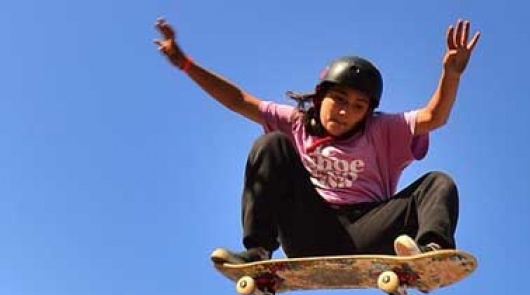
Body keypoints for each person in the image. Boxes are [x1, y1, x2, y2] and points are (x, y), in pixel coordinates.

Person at [152, 17, 479, 265]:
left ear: (368, 112)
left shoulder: (382, 129)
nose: (345, 112)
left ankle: (431, 255)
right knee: (269, 145)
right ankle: (258, 252)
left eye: (358, 106)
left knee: (438, 182)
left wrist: (451, 75)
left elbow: (434, 116)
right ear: (320, 96)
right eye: (338, 99)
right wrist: (186, 65)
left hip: (370, 229)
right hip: (309, 228)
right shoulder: (295, 122)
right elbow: (239, 100)